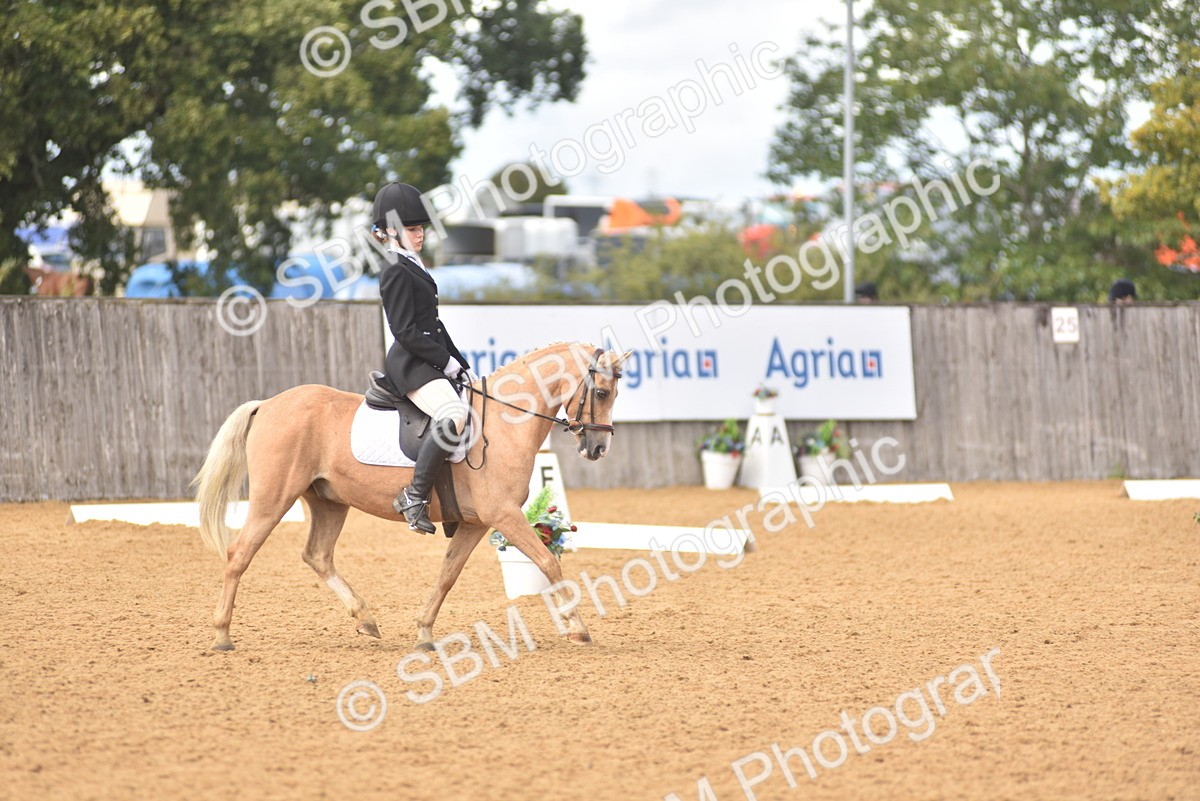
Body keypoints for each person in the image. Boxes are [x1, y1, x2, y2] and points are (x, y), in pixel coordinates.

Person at [372, 181, 474, 534]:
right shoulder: (395, 268)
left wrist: (460, 364)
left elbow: (435, 325)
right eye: (412, 229)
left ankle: (454, 502)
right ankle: (414, 497)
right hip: (411, 365)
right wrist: (445, 363)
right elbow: (405, 331)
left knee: (473, 406)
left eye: (421, 228)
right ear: (390, 231)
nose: (420, 234)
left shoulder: (412, 264)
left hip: (428, 362)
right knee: (454, 414)